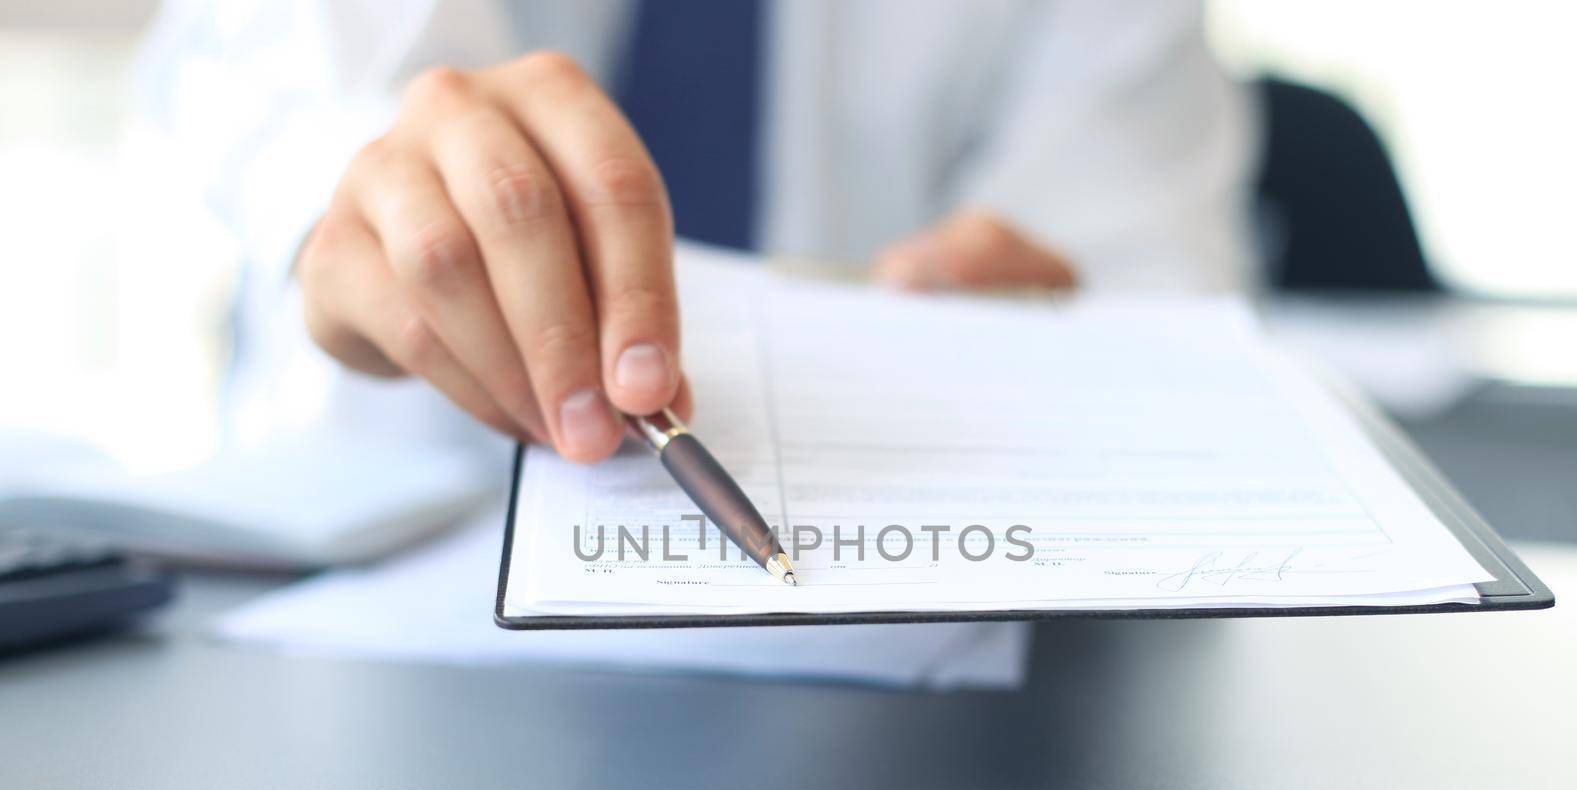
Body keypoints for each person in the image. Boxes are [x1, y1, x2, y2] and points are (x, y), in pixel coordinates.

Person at [139, 0, 1254, 460]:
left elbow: (1138, 233)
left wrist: (1076, 311)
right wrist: (377, 185)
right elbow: (268, 61)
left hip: (900, 621)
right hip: (393, 540)